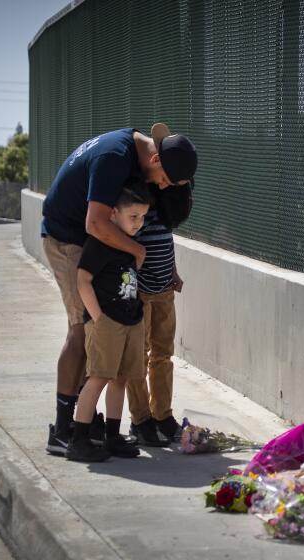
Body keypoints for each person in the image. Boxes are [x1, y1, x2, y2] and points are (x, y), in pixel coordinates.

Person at [43, 123, 197, 455]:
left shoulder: (135, 157)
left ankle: (90, 425)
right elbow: (95, 223)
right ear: (155, 159)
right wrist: (137, 251)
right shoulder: (115, 157)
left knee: (99, 342)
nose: (161, 187)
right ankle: (64, 429)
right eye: (164, 180)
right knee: (82, 331)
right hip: (68, 240)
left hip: (90, 240)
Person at [67, 182, 152, 462]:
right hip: (107, 323)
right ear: (113, 213)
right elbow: (83, 280)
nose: (138, 224)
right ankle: (79, 439)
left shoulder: (130, 244)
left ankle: (113, 436)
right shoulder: (99, 243)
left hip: (131, 320)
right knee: (99, 376)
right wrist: (99, 318)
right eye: (133, 217)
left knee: (121, 378)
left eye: (142, 217)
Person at [127, 183, 194, 446]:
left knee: (163, 354)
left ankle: (162, 415)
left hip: (165, 289)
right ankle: (140, 420)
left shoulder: (167, 211)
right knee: (138, 357)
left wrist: (174, 273)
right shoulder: (136, 212)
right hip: (140, 293)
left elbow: (168, 242)